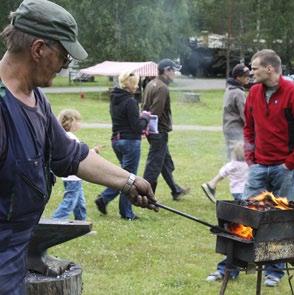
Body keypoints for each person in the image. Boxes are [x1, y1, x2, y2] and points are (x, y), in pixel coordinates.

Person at [0, 1, 157, 294]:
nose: (64, 67)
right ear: (38, 50)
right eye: (64, 57)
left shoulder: (37, 101)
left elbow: (71, 155)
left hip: (13, 264)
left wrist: (129, 181)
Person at [243, 49, 294, 287]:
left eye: (254, 68)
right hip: (258, 165)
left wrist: (289, 163)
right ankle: (233, 265)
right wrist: (249, 155)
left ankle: (275, 271)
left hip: (285, 168)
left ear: (269, 69)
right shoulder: (253, 92)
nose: (250, 72)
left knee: (280, 219)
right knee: (246, 214)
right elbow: (248, 126)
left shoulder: (292, 92)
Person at [95, 71, 150, 220]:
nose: (138, 86)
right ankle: (126, 213)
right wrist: (145, 117)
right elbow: (137, 127)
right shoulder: (130, 101)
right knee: (129, 179)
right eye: (136, 83)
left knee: (124, 175)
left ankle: (104, 199)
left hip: (116, 141)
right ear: (130, 84)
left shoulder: (114, 99)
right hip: (130, 142)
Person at [201, 63, 250, 202]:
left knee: (236, 163)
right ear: (238, 77)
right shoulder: (238, 92)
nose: (248, 78)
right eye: (245, 76)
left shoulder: (230, 89)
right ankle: (212, 184)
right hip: (237, 131)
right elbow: (245, 115)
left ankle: (215, 185)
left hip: (230, 130)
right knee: (238, 164)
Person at [141, 59, 189, 199]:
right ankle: (146, 195)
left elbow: (146, 108)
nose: (175, 73)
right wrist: (152, 130)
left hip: (153, 130)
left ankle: (176, 190)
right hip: (158, 131)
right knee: (154, 165)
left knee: (164, 161)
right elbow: (155, 112)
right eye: (173, 70)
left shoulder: (151, 83)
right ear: (167, 71)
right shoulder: (162, 87)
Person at [206, 141, 248, 281]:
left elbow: (222, 173)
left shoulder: (233, 165)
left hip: (237, 195)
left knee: (237, 228)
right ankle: (229, 268)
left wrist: (212, 183)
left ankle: (229, 268)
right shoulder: (250, 165)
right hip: (248, 196)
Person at [52, 109, 89, 220]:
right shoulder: (70, 137)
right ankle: (56, 220)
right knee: (70, 202)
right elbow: (78, 155)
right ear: (71, 121)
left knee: (79, 202)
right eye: (78, 121)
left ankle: (81, 225)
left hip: (72, 178)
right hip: (73, 177)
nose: (80, 124)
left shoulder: (64, 136)